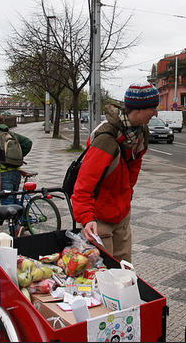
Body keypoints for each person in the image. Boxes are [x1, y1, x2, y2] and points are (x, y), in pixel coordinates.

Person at [71, 82, 159, 263]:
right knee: (103, 274)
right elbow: (83, 185)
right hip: (99, 217)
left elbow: (134, 166)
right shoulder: (106, 139)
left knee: (124, 269)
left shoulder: (140, 132)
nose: (156, 113)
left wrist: (127, 195)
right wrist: (87, 219)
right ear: (138, 110)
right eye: (153, 108)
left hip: (121, 213)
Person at [0, 115, 33, 205]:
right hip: (16, 173)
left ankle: (22, 217)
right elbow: (27, 142)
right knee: (13, 201)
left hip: (2, 173)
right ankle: (24, 218)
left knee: (7, 205)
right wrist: (17, 156)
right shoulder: (11, 134)